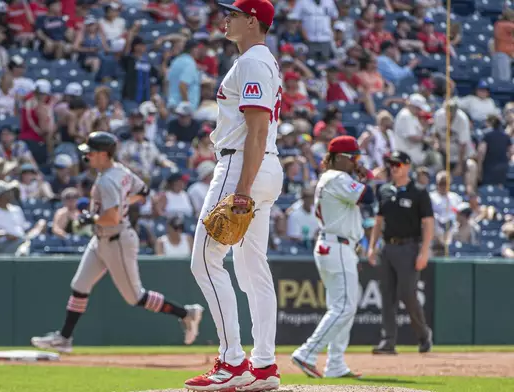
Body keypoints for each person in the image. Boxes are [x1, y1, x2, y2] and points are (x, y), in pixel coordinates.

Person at [184, 0, 284, 390]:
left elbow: (256, 130)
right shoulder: (262, 60)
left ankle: (232, 362)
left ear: (253, 20)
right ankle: (264, 366)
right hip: (262, 166)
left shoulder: (253, 62)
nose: (226, 18)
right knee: (252, 269)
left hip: (242, 165)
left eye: (235, 14)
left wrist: (241, 190)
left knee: (204, 262)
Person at [30, 132, 204, 352]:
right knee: (79, 286)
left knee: (136, 297)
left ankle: (187, 313)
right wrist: (119, 204)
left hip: (117, 239)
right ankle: (64, 338)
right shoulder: (120, 171)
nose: (87, 156)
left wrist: (91, 217)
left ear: (104, 154)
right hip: (101, 238)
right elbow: (143, 192)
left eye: (91, 152)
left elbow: (112, 216)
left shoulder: (108, 180)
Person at [291, 136, 370, 379]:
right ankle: (307, 353)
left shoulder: (335, 178)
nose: (356, 161)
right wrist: (369, 175)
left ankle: (335, 363)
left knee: (343, 306)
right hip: (336, 246)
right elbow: (370, 197)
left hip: (336, 246)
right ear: (337, 158)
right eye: (352, 157)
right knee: (344, 307)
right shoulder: (336, 177)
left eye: (357, 157)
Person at [367, 150, 434, 355]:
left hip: (409, 247)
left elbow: (429, 224)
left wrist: (424, 251)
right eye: (391, 164)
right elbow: (379, 222)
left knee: (407, 294)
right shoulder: (385, 190)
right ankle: (388, 341)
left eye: (398, 164)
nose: (394, 168)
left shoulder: (419, 192)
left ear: (407, 166)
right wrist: (372, 246)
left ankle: (423, 335)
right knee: (387, 296)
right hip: (388, 247)